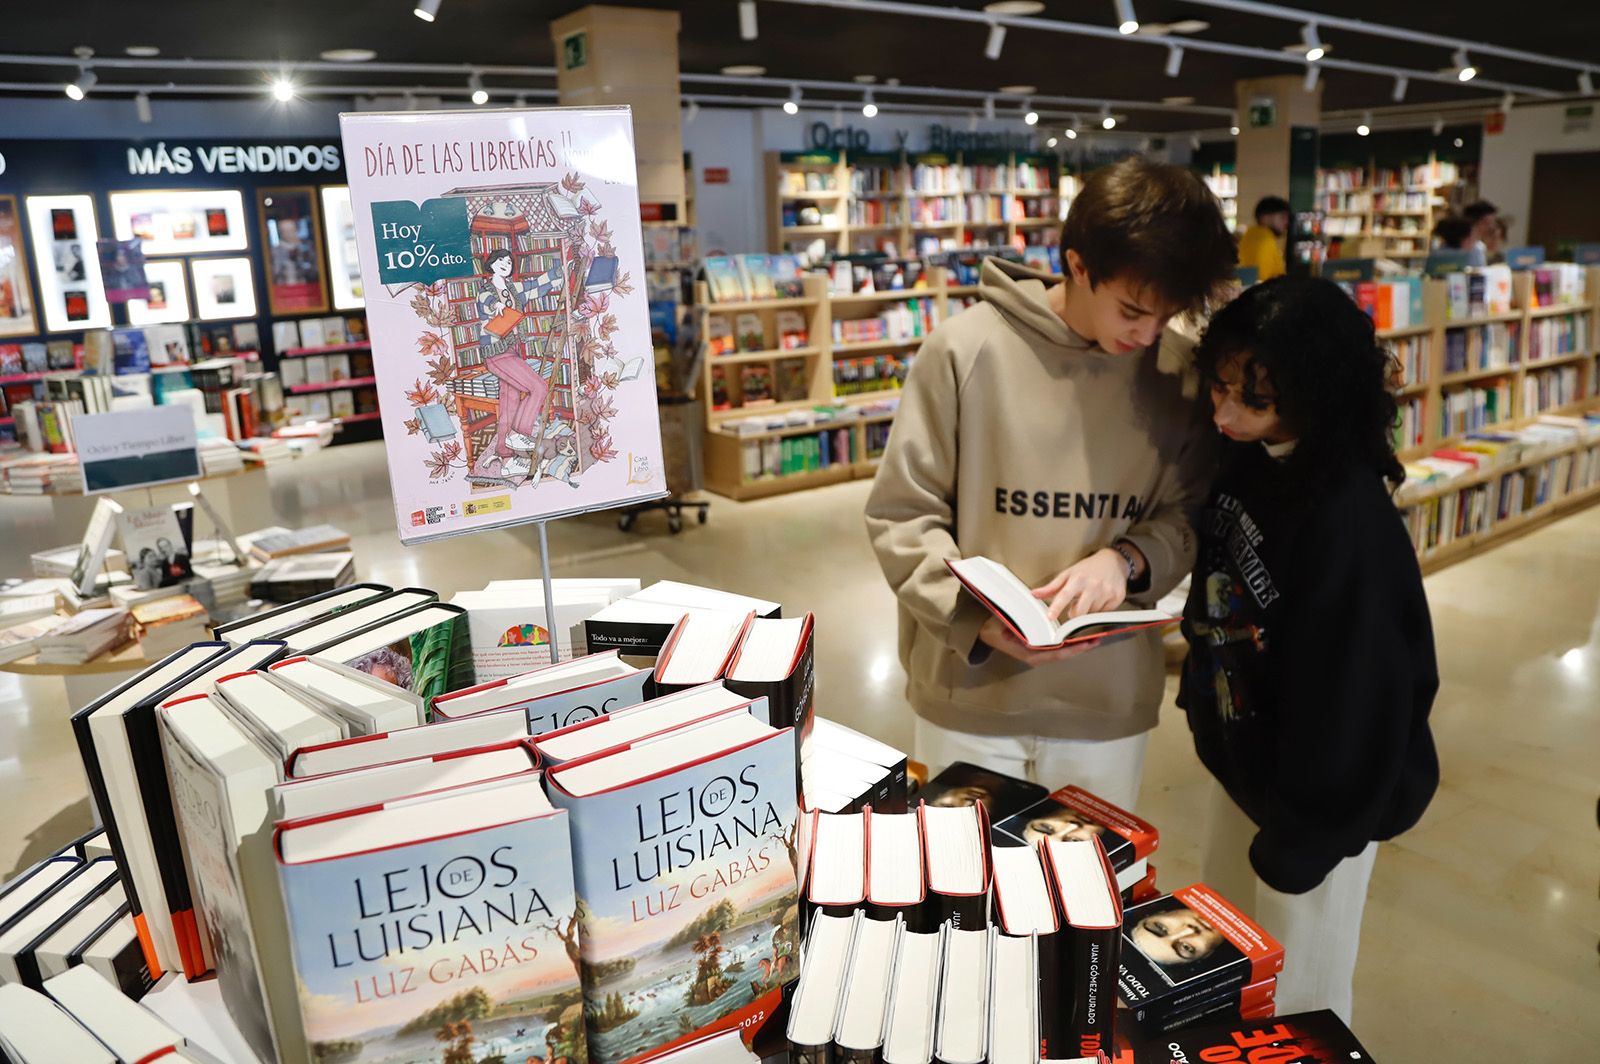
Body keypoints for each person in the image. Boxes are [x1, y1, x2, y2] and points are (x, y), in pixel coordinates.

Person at [864, 155, 1236, 810]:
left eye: (1166, 314)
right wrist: (975, 618)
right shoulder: (962, 351)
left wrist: (1128, 559)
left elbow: (1191, 515)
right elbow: (903, 515)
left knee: (1090, 901)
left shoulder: (1176, 376)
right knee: (961, 897)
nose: (1147, 333)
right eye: (1130, 310)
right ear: (1076, 264)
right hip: (969, 690)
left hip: (1106, 704)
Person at [1179, 276, 1439, 1024]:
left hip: (1320, 808)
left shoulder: (1350, 521)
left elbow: (1367, 696)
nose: (1224, 413)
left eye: (1251, 401)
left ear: (1310, 396)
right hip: (1250, 765)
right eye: (1220, 386)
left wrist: (1304, 836)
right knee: (1225, 960)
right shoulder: (1253, 457)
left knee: (1297, 1004)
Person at [476, 247, 565, 481]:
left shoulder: (514, 289)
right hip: (496, 351)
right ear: (492, 264)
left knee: (510, 403)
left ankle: (505, 451)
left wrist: (558, 272)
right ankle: (519, 435)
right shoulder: (486, 290)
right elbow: (486, 302)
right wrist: (495, 304)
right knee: (539, 388)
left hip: (512, 349)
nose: (506, 264)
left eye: (509, 261)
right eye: (501, 261)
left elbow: (535, 286)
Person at [1235, 195, 1290, 281]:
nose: (1286, 222)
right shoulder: (1265, 240)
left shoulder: (1251, 234)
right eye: (1282, 217)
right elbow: (1262, 280)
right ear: (1265, 217)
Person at [1463, 200, 1499, 266]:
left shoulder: (1480, 245)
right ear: (1472, 223)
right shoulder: (1474, 247)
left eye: (1492, 222)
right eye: (1486, 223)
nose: (1491, 227)